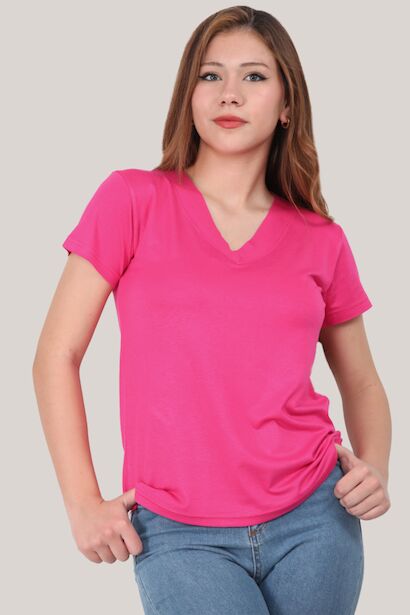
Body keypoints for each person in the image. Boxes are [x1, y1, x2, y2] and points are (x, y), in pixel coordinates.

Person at [32, 5, 392, 615]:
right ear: (189, 96)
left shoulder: (321, 238)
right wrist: (82, 502)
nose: (229, 93)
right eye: (210, 75)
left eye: (254, 76)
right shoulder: (131, 199)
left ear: (286, 105)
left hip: (315, 517)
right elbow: (55, 356)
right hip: (177, 530)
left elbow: (361, 380)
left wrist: (374, 469)